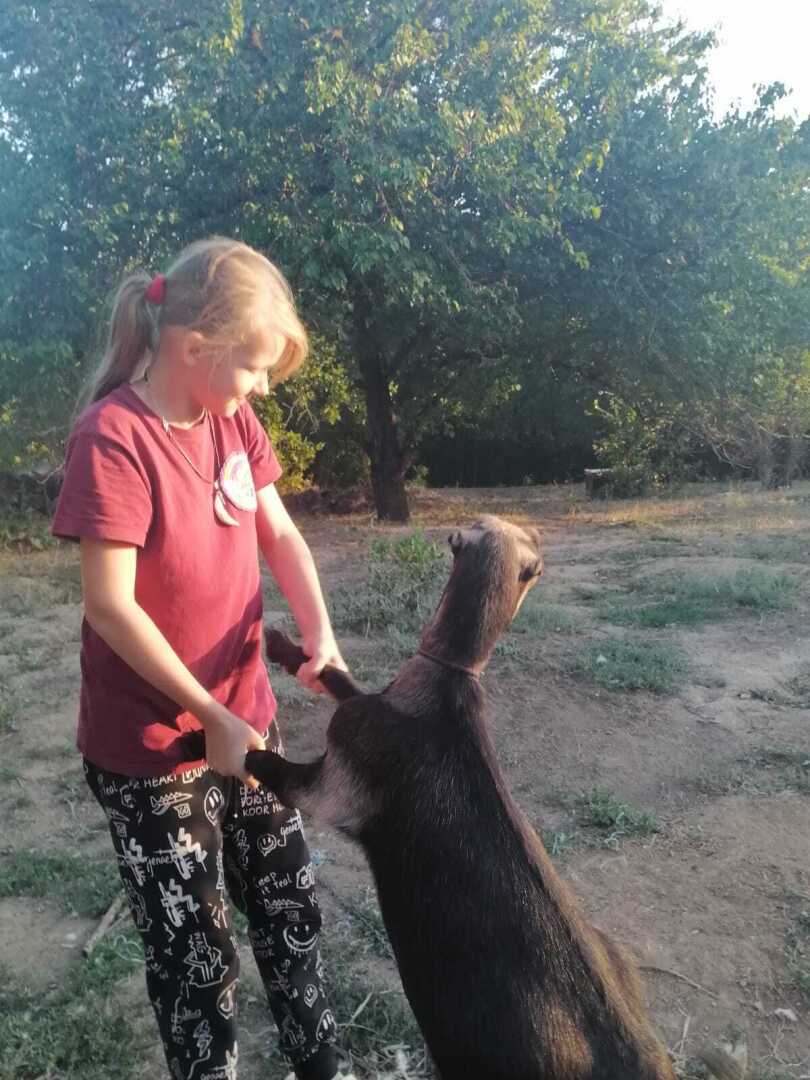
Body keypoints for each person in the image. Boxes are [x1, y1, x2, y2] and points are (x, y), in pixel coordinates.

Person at [52, 237, 353, 1080]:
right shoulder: (114, 440)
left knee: (291, 907)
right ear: (193, 350)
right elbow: (111, 606)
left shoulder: (233, 423)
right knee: (196, 957)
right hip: (150, 757)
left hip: (245, 723)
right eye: (255, 369)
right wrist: (208, 715)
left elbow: (280, 533)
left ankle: (320, 1066)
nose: (262, 389)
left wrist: (318, 632)